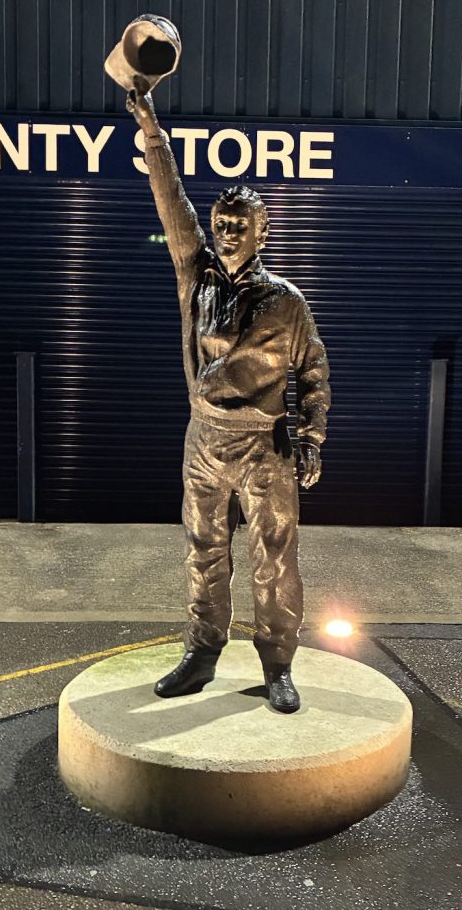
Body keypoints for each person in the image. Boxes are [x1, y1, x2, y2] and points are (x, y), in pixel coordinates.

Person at [128, 81, 330, 713]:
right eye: (221, 226)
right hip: (204, 441)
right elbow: (172, 203)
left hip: (263, 446)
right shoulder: (196, 276)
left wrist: (312, 438)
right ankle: (202, 650)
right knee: (204, 548)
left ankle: (277, 663)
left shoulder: (288, 303)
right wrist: (151, 129)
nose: (227, 233)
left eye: (240, 226)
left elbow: (315, 374)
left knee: (274, 558)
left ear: (263, 232)